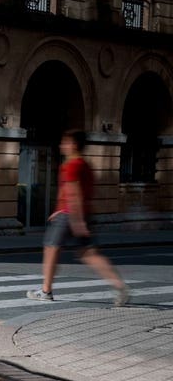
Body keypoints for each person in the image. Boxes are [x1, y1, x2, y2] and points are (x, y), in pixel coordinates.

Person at [26, 130, 129, 306]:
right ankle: (119, 285)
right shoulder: (86, 165)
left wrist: (75, 219)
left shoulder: (71, 165)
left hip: (69, 215)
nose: (61, 146)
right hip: (81, 213)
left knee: (51, 249)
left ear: (73, 144)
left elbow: (73, 193)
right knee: (89, 254)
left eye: (65, 142)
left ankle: (46, 291)